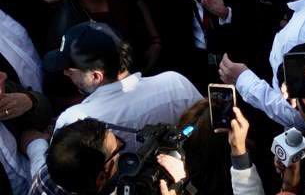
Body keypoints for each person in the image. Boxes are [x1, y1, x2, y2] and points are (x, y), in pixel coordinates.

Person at [43, 21, 200, 136]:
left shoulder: (73, 120)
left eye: (69, 69)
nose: (65, 73)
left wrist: (35, 144)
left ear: (96, 76)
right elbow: (206, 131)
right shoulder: (175, 83)